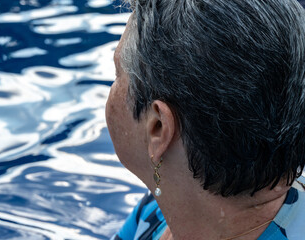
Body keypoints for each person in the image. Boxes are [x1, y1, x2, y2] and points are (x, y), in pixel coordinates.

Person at [105, 0, 305, 239]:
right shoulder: (162, 207)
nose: (112, 86)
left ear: (158, 128)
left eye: (118, 73)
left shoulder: (168, 203)